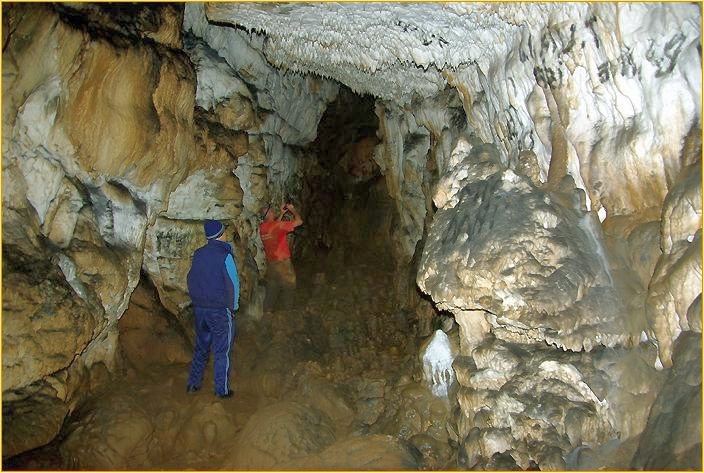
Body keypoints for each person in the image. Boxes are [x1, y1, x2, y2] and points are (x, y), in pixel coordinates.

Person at [186, 219, 240, 398]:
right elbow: (232, 284)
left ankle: (193, 384)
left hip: (200, 309)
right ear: (221, 234)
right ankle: (221, 390)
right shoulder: (225, 256)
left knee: (201, 348)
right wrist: (233, 307)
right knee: (221, 350)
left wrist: (197, 300)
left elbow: (191, 278)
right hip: (219, 310)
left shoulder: (198, 254)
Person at [259, 202, 303, 311]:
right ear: (268, 213)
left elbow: (274, 230)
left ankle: (267, 313)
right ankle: (287, 312)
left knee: (273, 287)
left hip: (272, 263)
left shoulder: (263, 228)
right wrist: (293, 210)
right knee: (289, 284)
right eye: (271, 210)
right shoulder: (277, 226)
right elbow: (299, 221)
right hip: (282, 262)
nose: (274, 211)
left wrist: (281, 215)